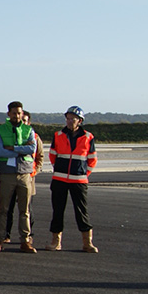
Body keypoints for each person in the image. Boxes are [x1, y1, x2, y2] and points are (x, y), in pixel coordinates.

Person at [48, 106, 98, 253]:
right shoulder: (58, 135)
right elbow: (52, 156)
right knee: (57, 211)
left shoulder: (88, 137)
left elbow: (92, 159)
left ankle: (87, 242)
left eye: (73, 118)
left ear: (80, 121)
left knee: (81, 211)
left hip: (79, 181)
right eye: (68, 118)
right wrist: (59, 169)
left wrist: (83, 174)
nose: (69, 121)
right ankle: (55, 241)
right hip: (59, 180)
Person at [0, 101, 38, 253]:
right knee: (3, 209)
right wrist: (21, 150)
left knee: (24, 210)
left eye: (19, 113)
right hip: (7, 173)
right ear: (9, 114)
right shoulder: (0, 130)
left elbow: (32, 148)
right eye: (14, 113)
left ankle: (25, 240)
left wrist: (14, 148)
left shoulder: (28, 129)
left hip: (25, 173)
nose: (17, 116)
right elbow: (0, 152)